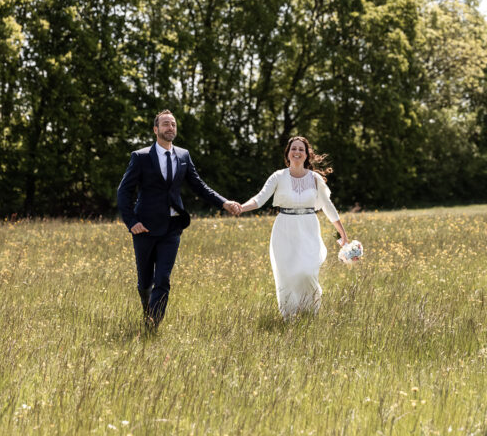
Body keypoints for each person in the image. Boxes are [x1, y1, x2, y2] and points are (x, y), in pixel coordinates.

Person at [117, 110, 241, 328]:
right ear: (156, 130)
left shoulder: (183, 156)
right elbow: (123, 191)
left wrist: (224, 202)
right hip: (144, 228)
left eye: (173, 124)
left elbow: (199, 186)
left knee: (163, 278)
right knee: (145, 281)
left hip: (172, 228)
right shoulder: (141, 156)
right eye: (165, 124)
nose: (170, 128)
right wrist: (131, 222)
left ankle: (152, 325)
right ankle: (148, 310)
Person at [240, 136, 348, 320]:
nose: (297, 152)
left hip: (308, 229)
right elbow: (259, 199)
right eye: (293, 149)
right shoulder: (278, 176)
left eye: (301, 149)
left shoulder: (315, 179)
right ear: (288, 153)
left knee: (307, 271)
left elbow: (328, 206)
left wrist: (343, 233)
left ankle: (310, 312)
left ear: (306, 155)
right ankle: (290, 316)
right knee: (288, 274)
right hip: (284, 229)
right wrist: (241, 207)